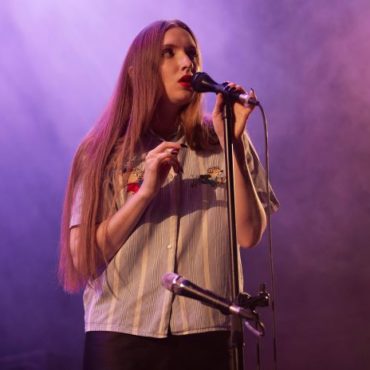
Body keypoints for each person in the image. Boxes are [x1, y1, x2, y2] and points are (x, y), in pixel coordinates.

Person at [58, 19, 278, 370]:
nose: (187, 63)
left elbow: (250, 234)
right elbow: (83, 260)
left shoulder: (223, 138)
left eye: (191, 53)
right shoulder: (99, 152)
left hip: (207, 334)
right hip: (121, 337)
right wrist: (145, 193)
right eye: (169, 53)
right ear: (137, 71)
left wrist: (232, 144)